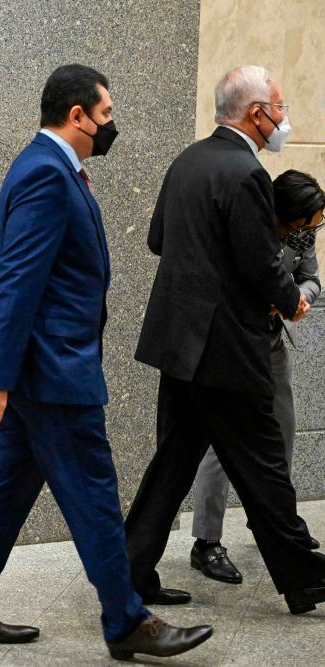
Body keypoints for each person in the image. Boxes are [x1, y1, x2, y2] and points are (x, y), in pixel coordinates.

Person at [0, 64, 212, 660]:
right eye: (106, 115)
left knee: (1, 492)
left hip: (43, 371)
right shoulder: (46, 175)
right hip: (53, 375)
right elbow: (17, 284)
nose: (112, 126)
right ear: (76, 115)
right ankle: (127, 621)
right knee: (94, 494)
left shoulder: (53, 168)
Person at [125, 65, 325, 615]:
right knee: (263, 465)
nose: (283, 117)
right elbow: (261, 261)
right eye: (279, 107)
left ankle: (129, 574)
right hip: (225, 350)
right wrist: (292, 300)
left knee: (171, 466)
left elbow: (157, 238)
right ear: (256, 113)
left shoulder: (187, 160)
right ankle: (308, 579)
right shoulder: (246, 173)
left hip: (179, 344)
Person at [189, 169, 324, 584]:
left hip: (271, 345)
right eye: (310, 221)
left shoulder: (303, 236)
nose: (314, 229)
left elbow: (311, 279)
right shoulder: (252, 227)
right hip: (234, 344)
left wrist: (300, 297)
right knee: (222, 444)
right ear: (287, 214)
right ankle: (206, 542)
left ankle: (272, 524)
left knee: (283, 429)